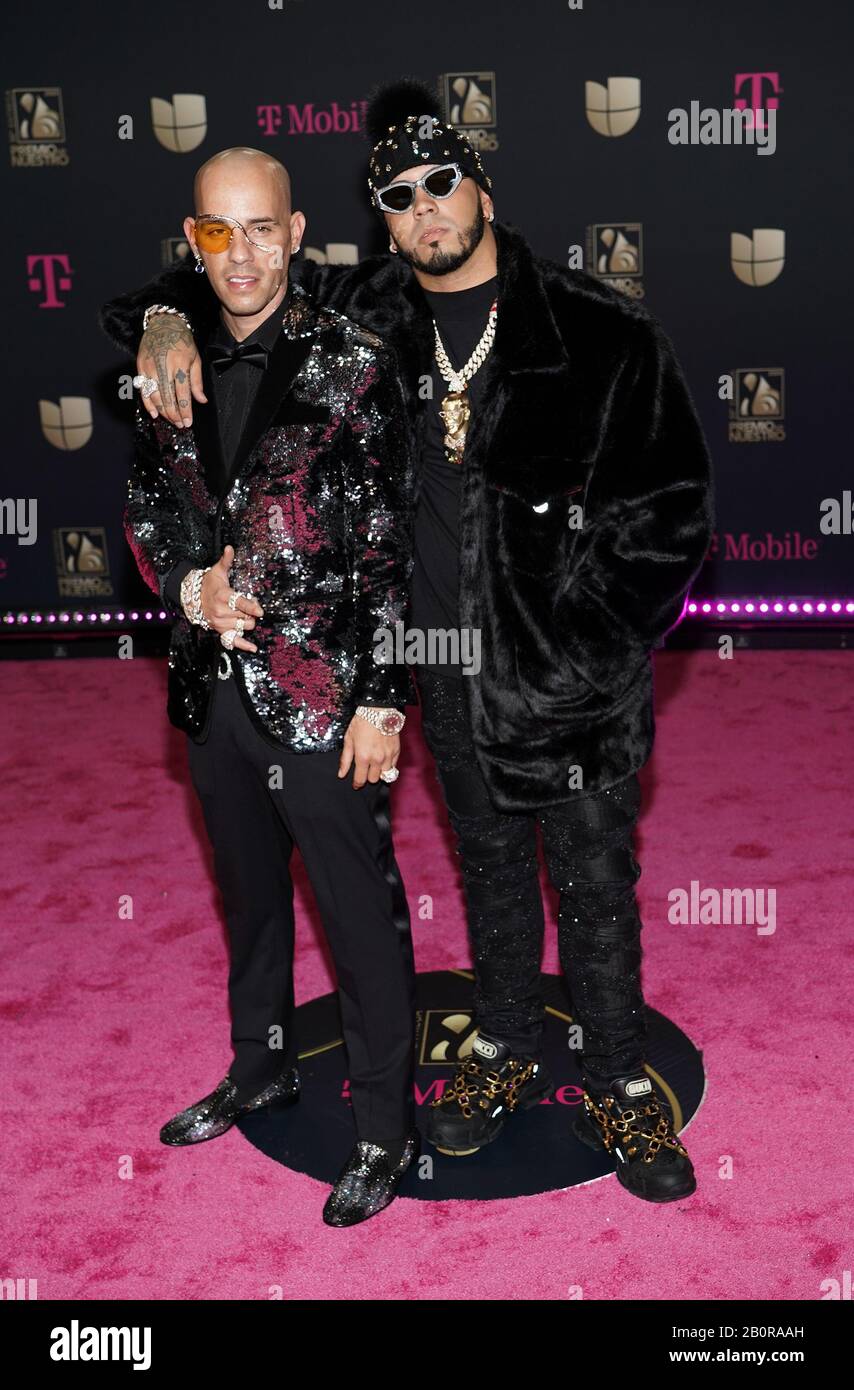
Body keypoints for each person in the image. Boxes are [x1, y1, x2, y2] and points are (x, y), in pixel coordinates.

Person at [102, 82, 715, 1204]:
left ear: (482, 189)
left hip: (568, 681)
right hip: (440, 664)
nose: (425, 207)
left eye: (442, 183)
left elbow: (671, 514)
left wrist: (584, 646)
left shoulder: (599, 329)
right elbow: (236, 279)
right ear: (380, 221)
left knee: (592, 887)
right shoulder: (371, 312)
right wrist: (161, 321)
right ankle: (502, 1044)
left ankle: (620, 1080)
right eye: (398, 195)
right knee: (488, 871)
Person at [112, 145, 421, 1227]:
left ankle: (384, 1127)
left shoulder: (355, 363)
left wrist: (383, 697)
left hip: (325, 694)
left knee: (357, 914)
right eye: (216, 230)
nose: (238, 254)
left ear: (295, 235)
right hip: (212, 689)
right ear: (192, 239)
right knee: (248, 901)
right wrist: (185, 587)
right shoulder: (168, 363)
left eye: (259, 229)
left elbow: (390, 548)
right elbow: (148, 510)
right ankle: (262, 1065)